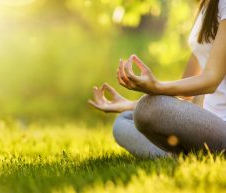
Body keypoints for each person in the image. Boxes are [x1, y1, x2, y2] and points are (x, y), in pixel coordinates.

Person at [88, 0, 226, 158]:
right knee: (122, 122)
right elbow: (186, 93)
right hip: (211, 124)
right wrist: (129, 104)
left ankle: (179, 153)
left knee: (147, 109)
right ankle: (185, 154)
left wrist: (156, 87)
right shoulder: (204, 6)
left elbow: (211, 80)